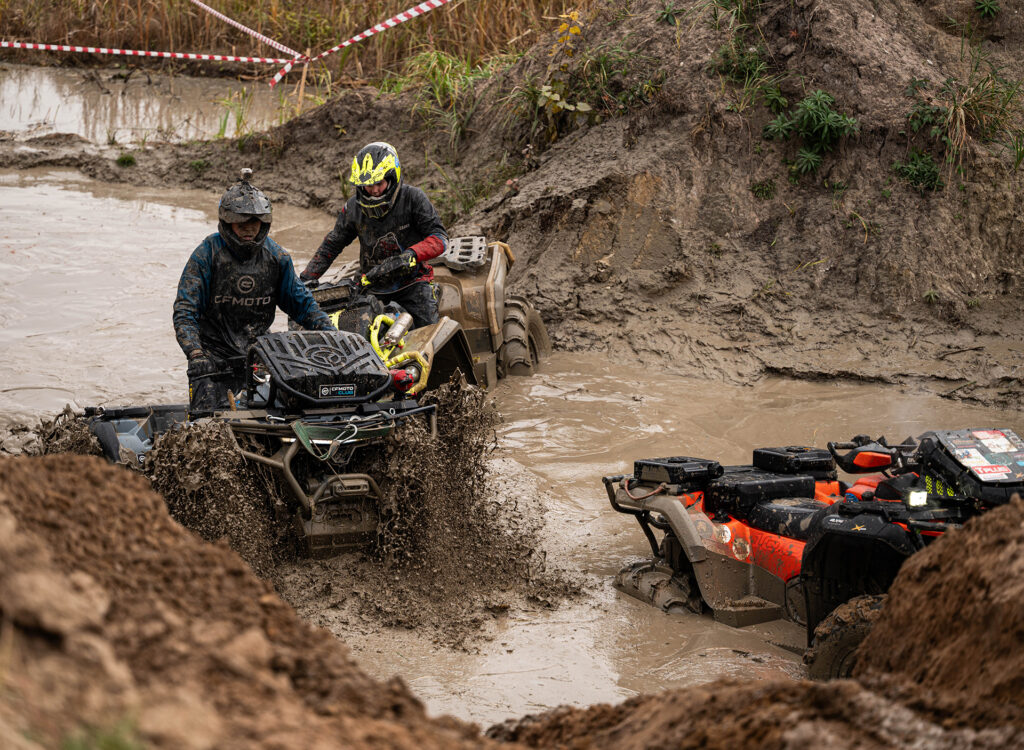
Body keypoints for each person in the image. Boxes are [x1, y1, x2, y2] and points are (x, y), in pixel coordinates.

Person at [173, 168, 334, 414]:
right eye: (242, 222)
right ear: (227, 222)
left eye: (255, 222)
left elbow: (304, 306)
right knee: (206, 424)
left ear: (264, 223)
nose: (249, 229)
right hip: (211, 358)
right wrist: (195, 354)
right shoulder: (206, 255)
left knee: (282, 414)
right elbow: (185, 312)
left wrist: (333, 336)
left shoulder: (277, 258)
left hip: (258, 353)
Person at [299, 141, 448, 328]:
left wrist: (409, 256)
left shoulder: (413, 198)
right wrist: (305, 280)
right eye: (368, 185)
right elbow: (332, 244)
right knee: (346, 332)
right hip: (370, 283)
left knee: (427, 333)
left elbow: (440, 238)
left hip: (412, 282)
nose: (374, 190)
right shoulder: (353, 208)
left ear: (392, 178)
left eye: (379, 183)